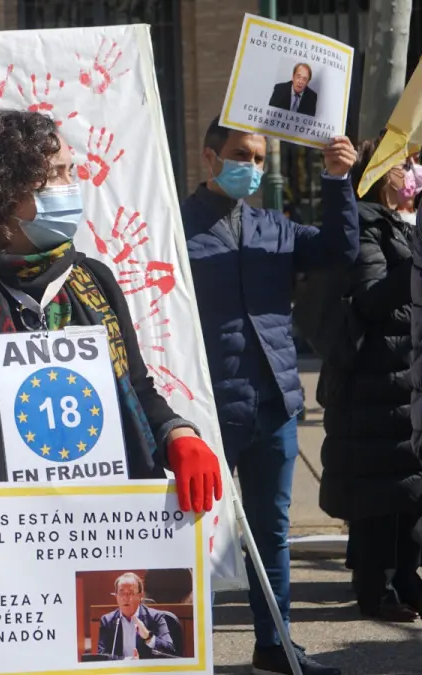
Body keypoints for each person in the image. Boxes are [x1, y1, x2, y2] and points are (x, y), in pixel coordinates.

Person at [0, 110, 222, 675]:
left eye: (71, 170)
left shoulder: (94, 283)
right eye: (54, 175)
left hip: (99, 549)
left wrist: (178, 435)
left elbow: (136, 389)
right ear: (1, 193)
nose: (71, 186)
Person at [181, 116, 357, 675]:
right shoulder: (175, 226)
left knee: (271, 533)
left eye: (259, 158)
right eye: (242, 155)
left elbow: (339, 250)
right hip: (206, 410)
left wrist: (337, 181)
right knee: (191, 533)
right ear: (210, 158)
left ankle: (275, 644)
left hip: (274, 405)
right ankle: (182, 650)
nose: (252, 167)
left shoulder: (273, 227)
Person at [311, 141, 422, 622]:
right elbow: (374, 299)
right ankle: (376, 588)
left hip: (408, 376)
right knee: (379, 491)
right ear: (378, 173)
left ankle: (406, 578)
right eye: (404, 164)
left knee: (411, 489)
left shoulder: (408, 224)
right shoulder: (364, 222)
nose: (413, 172)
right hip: (375, 381)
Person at [97, 573, 178, 660]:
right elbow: (102, 655)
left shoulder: (155, 618)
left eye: (131, 593)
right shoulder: (107, 621)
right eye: (121, 593)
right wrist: (127, 661)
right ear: (116, 596)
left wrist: (148, 637)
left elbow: (170, 651)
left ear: (140, 596)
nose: (125, 598)